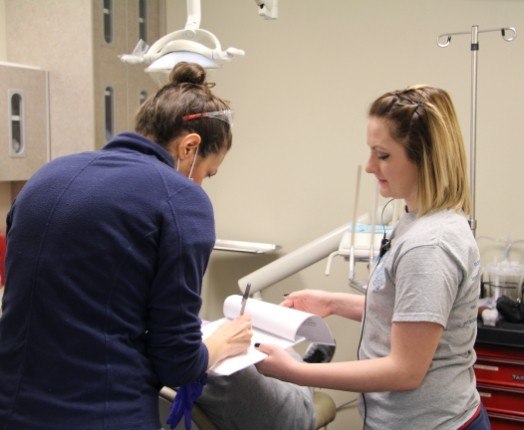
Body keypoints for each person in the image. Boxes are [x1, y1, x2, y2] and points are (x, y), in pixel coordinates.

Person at [0, 62, 253, 430]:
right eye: (207, 173)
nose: (200, 184)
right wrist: (220, 343)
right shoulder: (182, 200)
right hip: (103, 415)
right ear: (189, 146)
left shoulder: (45, 177)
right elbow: (177, 362)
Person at [255, 85, 489, 429]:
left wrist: (296, 372)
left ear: (423, 157)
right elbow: (411, 313)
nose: (368, 167)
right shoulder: (416, 220)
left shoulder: (429, 246)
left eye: (383, 155)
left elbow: (405, 370)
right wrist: (331, 302)